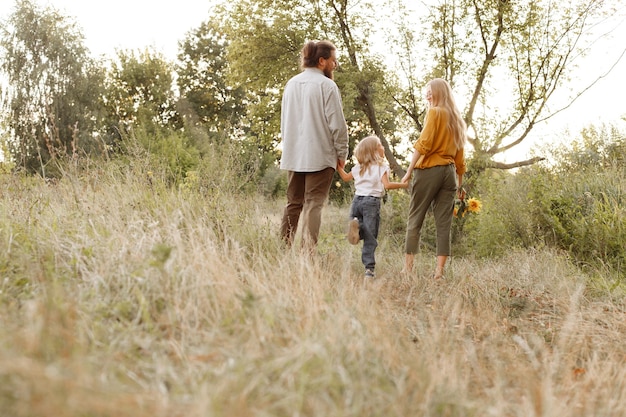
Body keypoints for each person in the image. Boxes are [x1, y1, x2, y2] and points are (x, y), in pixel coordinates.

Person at [279, 40, 349, 250]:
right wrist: (342, 153)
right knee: (313, 205)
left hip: (294, 155)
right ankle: (307, 256)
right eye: (333, 61)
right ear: (322, 61)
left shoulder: (291, 84)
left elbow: (284, 122)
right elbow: (337, 125)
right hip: (320, 155)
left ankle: (283, 249)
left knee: (293, 204)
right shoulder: (327, 86)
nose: (335, 65)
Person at [401, 78, 467, 279]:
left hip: (429, 170)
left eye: (430, 91)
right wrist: (460, 184)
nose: (427, 95)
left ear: (439, 92)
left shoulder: (435, 112)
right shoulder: (457, 119)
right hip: (449, 174)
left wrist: (409, 171)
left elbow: (424, 144)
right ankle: (439, 273)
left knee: (415, 219)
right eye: (426, 91)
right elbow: (460, 157)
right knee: (443, 224)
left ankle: (408, 269)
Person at [337, 135, 408, 279]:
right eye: (380, 145)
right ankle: (369, 269)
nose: (383, 147)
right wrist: (403, 185)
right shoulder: (381, 167)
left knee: (358, 229)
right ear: (374, 151)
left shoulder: (358, 168)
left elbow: (345, 177)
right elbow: (387, 185)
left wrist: (337, 164)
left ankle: (356, 226)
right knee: (370, 236)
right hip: (371, 203)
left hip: (357, 201)